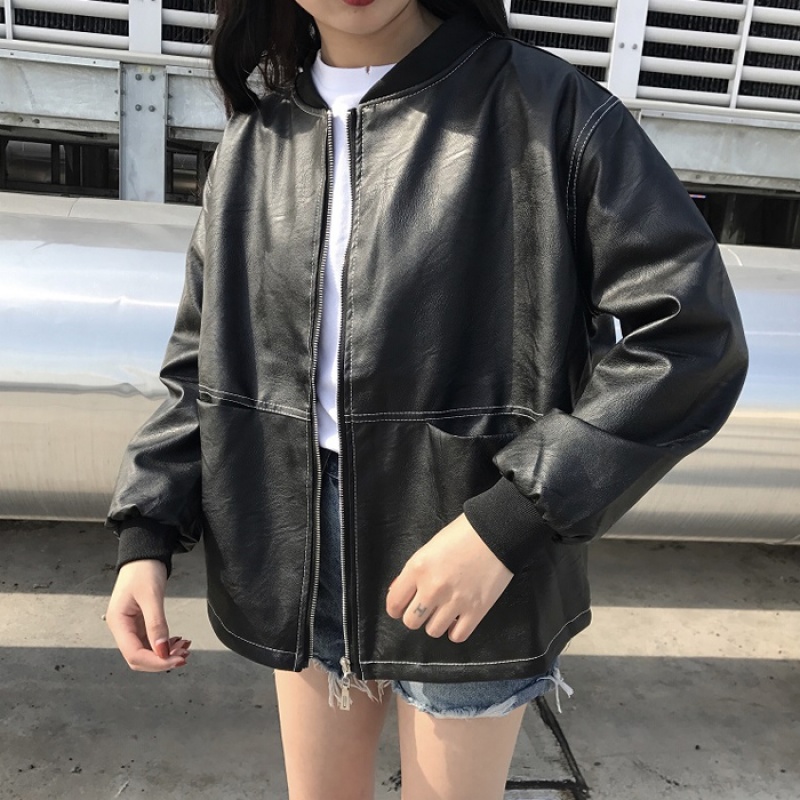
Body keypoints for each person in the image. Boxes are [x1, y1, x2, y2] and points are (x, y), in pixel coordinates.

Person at [104, 1, 748, 798]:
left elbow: (690, 339)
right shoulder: (256, 140)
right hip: (293, 543)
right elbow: (202, 360)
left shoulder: (549, 110)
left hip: (469, 539)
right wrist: (146, 532)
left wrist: (509, 522)